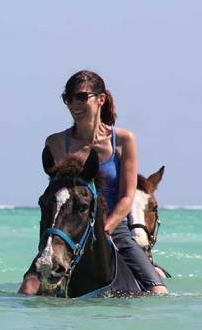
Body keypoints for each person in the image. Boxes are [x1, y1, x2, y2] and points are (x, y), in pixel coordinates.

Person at [42, 71, 168, 295]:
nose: (74, 104)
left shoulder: (123, 140)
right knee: (29, 288)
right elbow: (59, 196)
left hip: (113, 228)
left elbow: (127, 196)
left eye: (81, 97)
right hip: (71, 229)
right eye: (68, 98)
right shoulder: (56, 143)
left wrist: (104, 228)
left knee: (158, 290)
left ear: (100, 99)